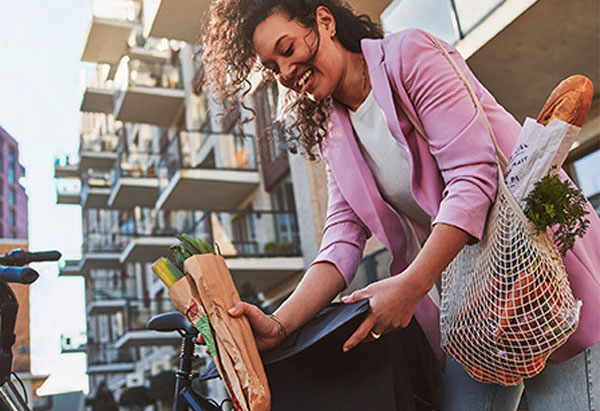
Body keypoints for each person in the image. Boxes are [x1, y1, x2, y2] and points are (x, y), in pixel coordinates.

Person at [201, 0, 600, 409]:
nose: (284, 73)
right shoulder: (332, 133)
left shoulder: (411, 56)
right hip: (476, 310)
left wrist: (412, 285)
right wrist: (280, 325)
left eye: (287, 50)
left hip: (543, 278)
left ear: (325, 21)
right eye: (272, 67)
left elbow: (471, 178)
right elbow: (340, 242)